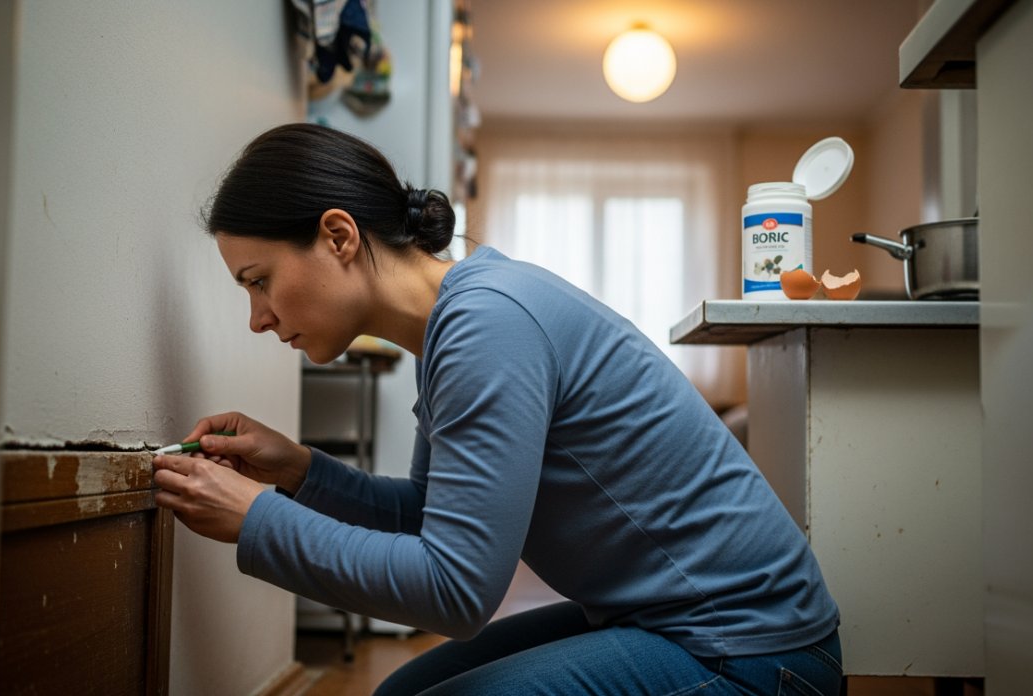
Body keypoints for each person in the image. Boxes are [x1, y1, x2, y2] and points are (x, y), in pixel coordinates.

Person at [151, 123, 842, 696]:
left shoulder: (486, 323)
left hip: (752, 652)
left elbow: (454, 590)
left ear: (339, 237)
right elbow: (434, 517)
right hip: (674, 621)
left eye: (259, 281)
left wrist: (255, 521)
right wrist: (299, 471)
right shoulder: (456, 324)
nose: (257, 318)